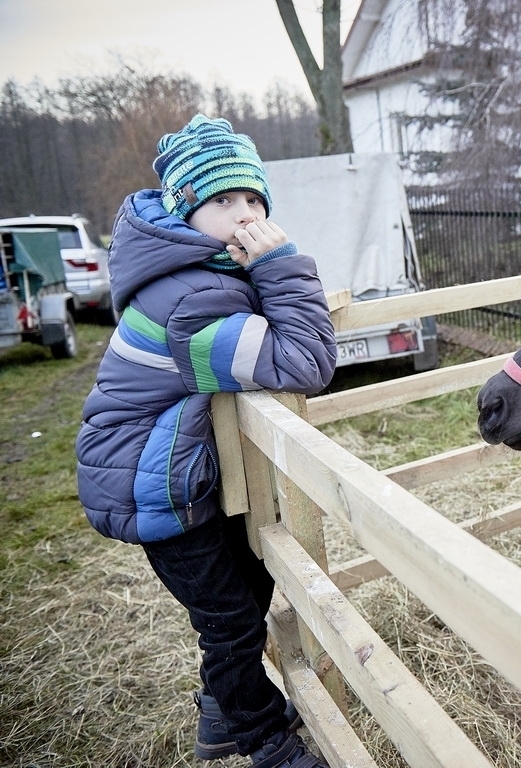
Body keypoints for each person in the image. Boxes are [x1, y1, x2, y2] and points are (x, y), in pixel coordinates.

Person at [75, 115, 337, 768]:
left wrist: (266, 275)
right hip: (152, 486)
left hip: (183, 467)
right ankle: (264, 742)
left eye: (253, 198)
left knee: (251, 580)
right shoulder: (193, 299)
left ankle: (224, 715)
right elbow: (306, 362)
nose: (245, 214)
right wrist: (280, 265)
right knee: (231, 623)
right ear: (185, 213)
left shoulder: (206, 275)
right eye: (223, 201)